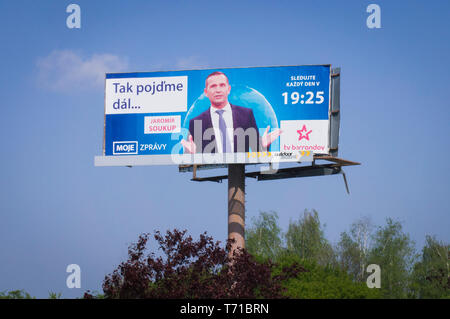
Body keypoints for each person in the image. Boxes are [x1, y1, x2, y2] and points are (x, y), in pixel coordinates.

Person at [181, 71, 282, 153]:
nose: (218, 90)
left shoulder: (246, 115)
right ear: (206, 92)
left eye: (222, 85)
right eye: (213, 86)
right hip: (213, 170)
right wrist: (190, 154)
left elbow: (257, 150)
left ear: (228, 89)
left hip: (240, 169)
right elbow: (190, 157)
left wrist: (264, 145)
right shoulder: (196, 122)